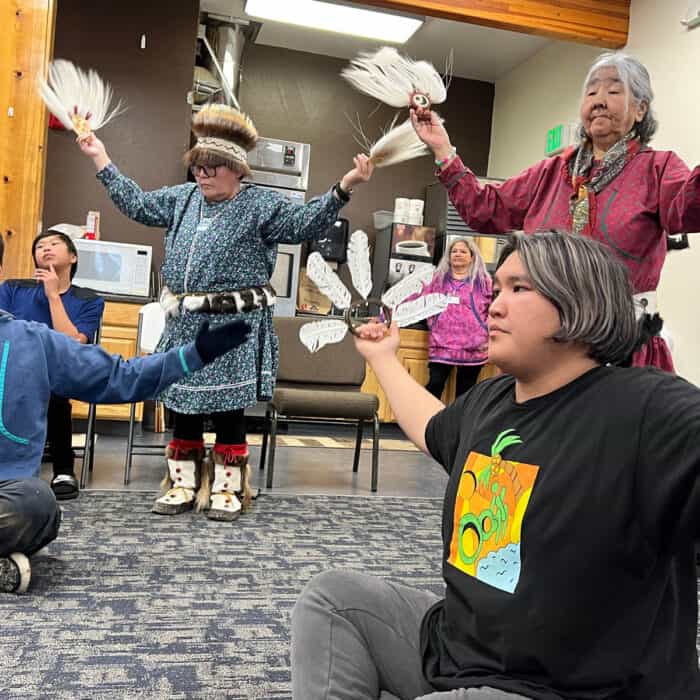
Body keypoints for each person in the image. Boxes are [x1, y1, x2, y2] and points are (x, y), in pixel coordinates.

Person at [291, 230, 700, 699]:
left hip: (564, 688)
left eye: (519, 289)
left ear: (579, 299)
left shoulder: (649, 409)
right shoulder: (491, 399)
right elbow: (434, 428)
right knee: (333, 601)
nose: (495, 305)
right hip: (460, 652)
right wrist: (384, 358)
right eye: (498, 288)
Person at [77, 103, 374, 521]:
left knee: (228, 409)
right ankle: (181, 484)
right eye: (198, 166)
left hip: (233, 325)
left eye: (212, 167)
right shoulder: (182, 199)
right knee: (182, 404)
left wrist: (344, 187)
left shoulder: (261, 205)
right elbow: (139, 205)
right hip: (185, 323)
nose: (202, 174)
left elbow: (305, 223)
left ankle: (228, 490)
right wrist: (100, 157)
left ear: (237, 169)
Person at [411, 51, 700, 371]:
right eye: (592, 91)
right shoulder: (552, 171)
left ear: (640, 108)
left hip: (621, 349)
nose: (599, 100)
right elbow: (485, 209)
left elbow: (689, 209)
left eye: (614, 91)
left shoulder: (658, 169)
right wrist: (442, 148)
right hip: (544, 344)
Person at [0, 233, 251, 594]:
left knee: (39, 506)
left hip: (8, 494)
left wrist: (194, 354)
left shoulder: (32, 340)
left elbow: (120, 377)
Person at [0, 230, 105, 500]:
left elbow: (73, 343)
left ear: (73, 257)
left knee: (53, 391)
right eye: (40, 246)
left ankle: (63, 469)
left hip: (59, 368)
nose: (45, 248)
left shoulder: (89, 300)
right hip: (12, 366)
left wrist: (53, 296)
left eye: (54, 244)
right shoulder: (13, 288)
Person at [413, 237, 491, 400]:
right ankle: (427, 421)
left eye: (463, 251)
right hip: (442, 343)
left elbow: (495, 307)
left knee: (465, 393)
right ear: (448, 256)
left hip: (473, 347)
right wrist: (386, 313)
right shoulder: (437, 279)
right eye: (454, 251)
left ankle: (458, 425)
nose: (458, 254)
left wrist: (486, 328)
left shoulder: (483, 281)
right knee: (435, 384)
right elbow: (417, 299)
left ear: (472, 257)